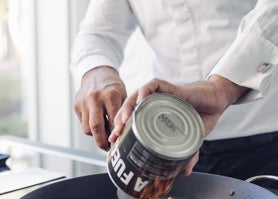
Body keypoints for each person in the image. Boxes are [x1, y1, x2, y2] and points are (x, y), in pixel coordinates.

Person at [70, 0, 278, 180]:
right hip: (169, 140)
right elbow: (98, 32)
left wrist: (221, 88)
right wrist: (95, 70)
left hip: (265, 137)